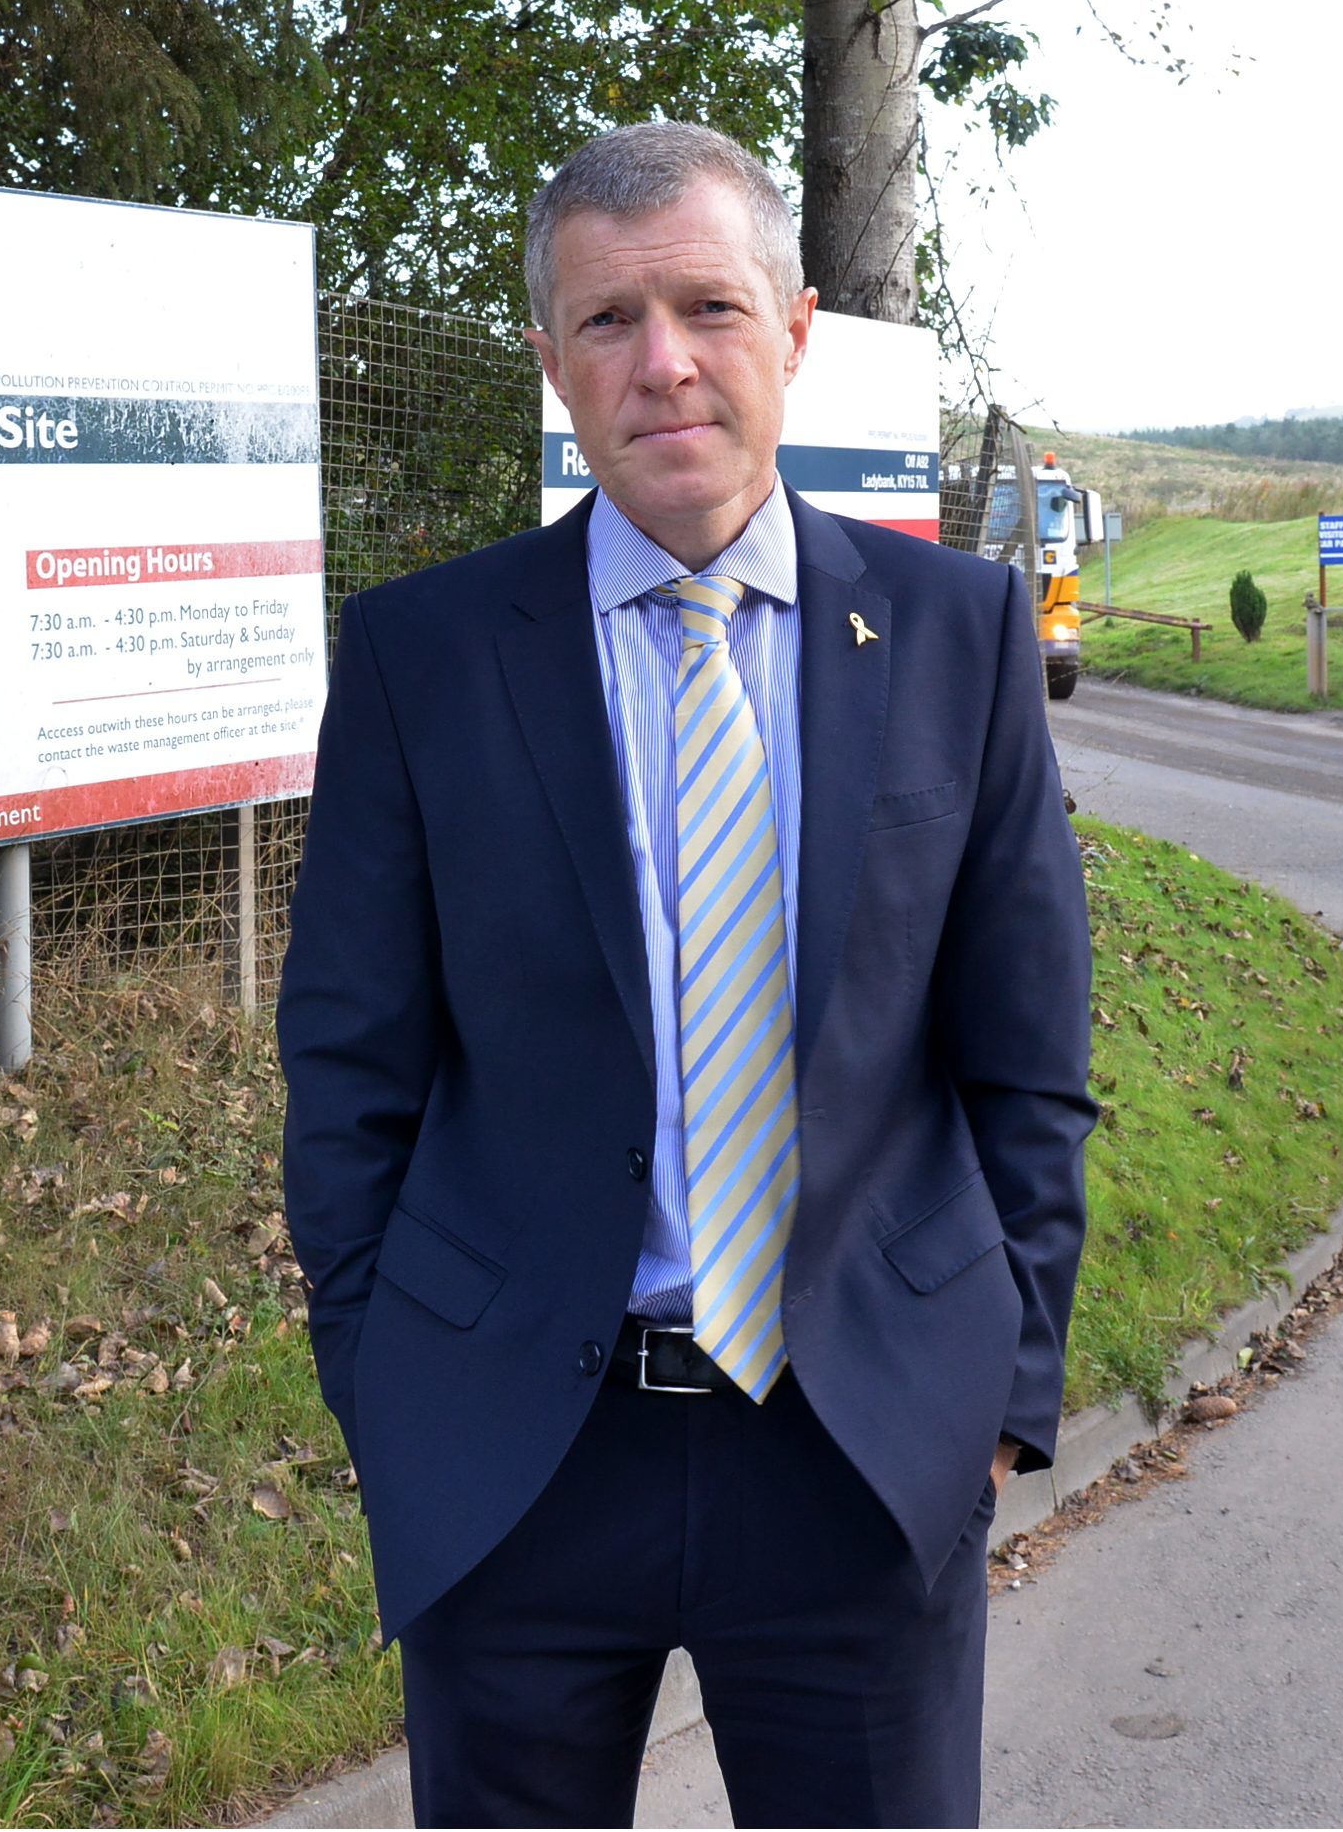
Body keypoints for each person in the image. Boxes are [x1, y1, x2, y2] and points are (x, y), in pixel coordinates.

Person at [278, 120, 1096, 1827]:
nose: (664, 362)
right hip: (519, 1458)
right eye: (608, 319)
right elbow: (351, 1068)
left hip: (859, 1447)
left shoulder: (959, 640)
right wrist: (386, 1382)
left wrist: (1000, 1396)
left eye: (709, 307)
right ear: (551, 360)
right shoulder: (425, 657)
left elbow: (1027, 1061)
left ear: (793, 328)